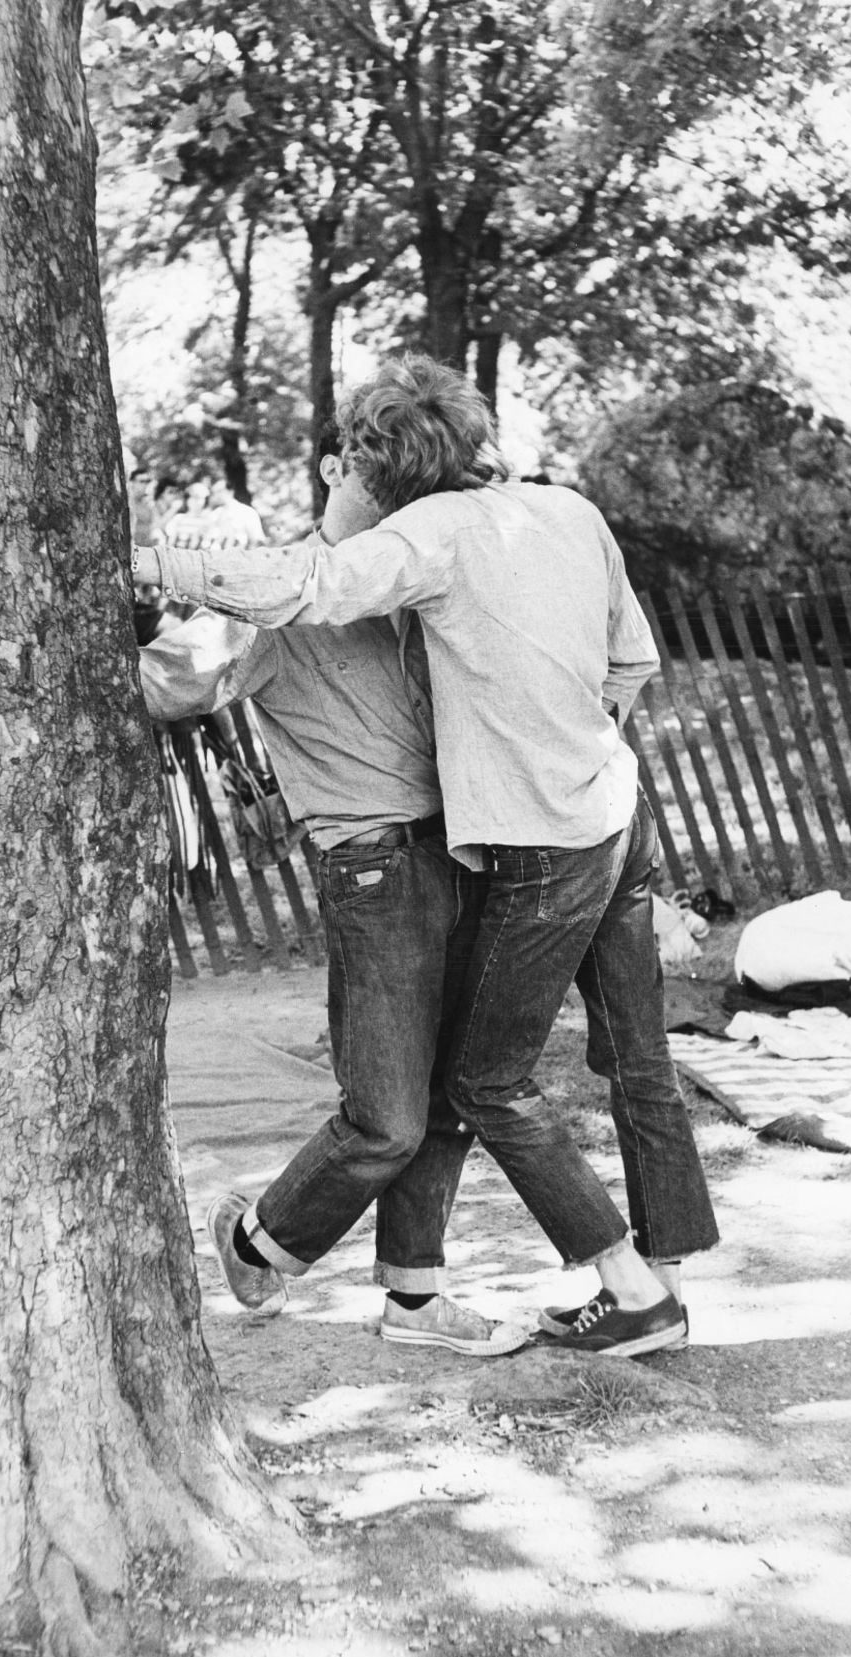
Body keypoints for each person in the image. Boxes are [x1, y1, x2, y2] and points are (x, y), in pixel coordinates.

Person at [134, 353, 719, 1358]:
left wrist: (554, 760)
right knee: (444, 1102)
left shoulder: (432, 552)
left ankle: (495, 1294)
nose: (362, 480)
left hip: (504, 846)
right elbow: (178, 683)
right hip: (477, 842)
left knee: (472, 1085)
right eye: (347, 467)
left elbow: (319, 586)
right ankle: (303, 1251)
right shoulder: (540, 519)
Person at [135, 465, 527, 1360]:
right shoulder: (278, 593)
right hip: (373, 867)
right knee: (386, 1116)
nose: (390, 492)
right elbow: (168, 682)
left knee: (445, 1098)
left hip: (466, 847)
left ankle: (418, 1301)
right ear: (332, 471)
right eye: (369, 470)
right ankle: (258, 1240)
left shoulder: (410, 574)